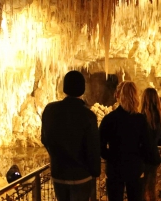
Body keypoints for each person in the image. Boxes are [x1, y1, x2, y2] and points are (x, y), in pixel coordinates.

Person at [41, 70, 101, 201]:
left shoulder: (50, 110)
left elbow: (45, 139)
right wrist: (95, 171)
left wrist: (57, 157)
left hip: (58, 174)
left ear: (65, 87)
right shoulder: (88, 116)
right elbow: (93, 148)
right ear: (82, 89)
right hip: (81, 176)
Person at [99, 81, 152, 201]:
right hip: (134, 168)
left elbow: (100, 146)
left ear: (118, 95)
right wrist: (139, 160)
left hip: (114, 169)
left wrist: (111, 157)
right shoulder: (141, 120)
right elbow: (147, 146)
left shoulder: (109, 119)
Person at [140, 88, 161, 201]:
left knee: (140, 189)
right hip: (153, 157)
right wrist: (154, 142)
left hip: (141, 157)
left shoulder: (140, 117)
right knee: (151, 189)